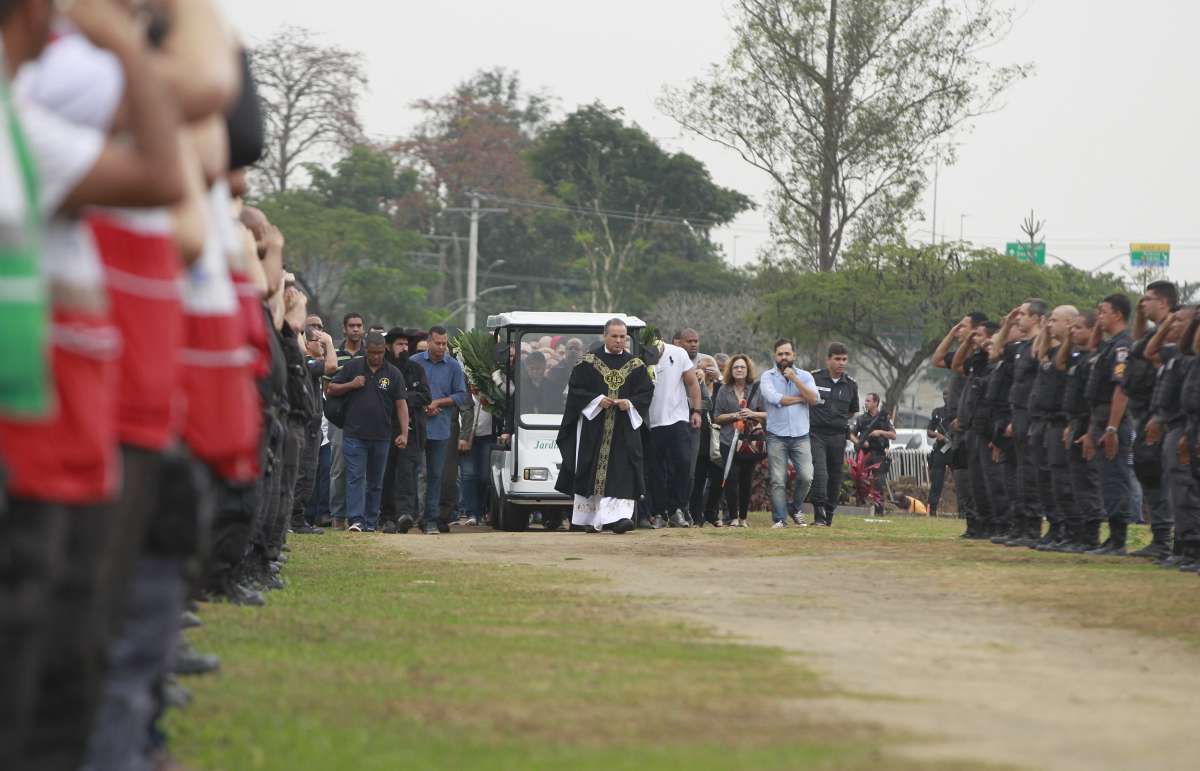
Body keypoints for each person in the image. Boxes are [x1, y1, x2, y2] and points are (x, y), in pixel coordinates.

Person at [555, 319, 654, 533]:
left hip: (624, 428)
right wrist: (597, 400)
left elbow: (646, 393)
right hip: (595, 428)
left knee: (623, 469)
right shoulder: (587, 363)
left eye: (623, 337)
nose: (619, 341)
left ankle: (618, 518)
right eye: (615, 336)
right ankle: (590, 518)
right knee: (593, 469)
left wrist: (629, 402)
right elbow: (575, 391)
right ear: (605, 335)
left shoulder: (636, 366)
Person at [328, 330, 409, 532]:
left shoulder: (393, 373)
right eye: (372, 352)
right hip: (354, 434)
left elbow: (401, 404)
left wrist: (404, 433)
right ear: (366, 350)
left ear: (385, 351)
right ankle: (357, 520)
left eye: (380, 352)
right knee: (355, 477)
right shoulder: (353, 367)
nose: (376, 357)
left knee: (376, 481)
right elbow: (331, 389)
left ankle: (371, 521)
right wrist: (351, 384)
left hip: (382, 436)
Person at [1125, 281, 1179, 559]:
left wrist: (1159, 415)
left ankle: (1167, 539)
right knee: (1147, 471)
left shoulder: (1173, 330)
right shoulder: (1151, 332)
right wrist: (1139, 316)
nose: (1142, 304)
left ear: (1163, 302)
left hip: (1159, 413)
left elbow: (1153, 358)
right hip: (1144, 411)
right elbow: (1138, 347)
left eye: (1147, 300)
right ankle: (1161, 537)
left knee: (1162, 476)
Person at [1081, 294, 1134, 555]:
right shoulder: (1108, 345)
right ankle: (1111, 538)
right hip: (1100, 417)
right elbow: (1092, 349)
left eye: (1103, 312)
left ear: (1118, 315)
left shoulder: (1122, 346)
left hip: (1114, 421)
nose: (1098, 316)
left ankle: (1118, 538)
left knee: (1115, 480)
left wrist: (1112, 428)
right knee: (1106, 479)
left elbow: (1120, 390)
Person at [932, 313, 988, 534]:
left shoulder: (980, 359)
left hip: (969, 424)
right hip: (955, 426)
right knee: (963, 474)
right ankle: (970, 520)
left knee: (974, 475)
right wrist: (951, 335)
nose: (958, 330)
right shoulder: (963, 356)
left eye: (963, 327)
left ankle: (979, 520)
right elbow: (937, 360)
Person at [412, 325, 468, 535]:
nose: (442, 347)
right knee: (416, 474)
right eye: (438, 343)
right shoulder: (415, 362)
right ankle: (413, 515)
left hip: (441, 429)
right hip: (417, 427)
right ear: (429, 342)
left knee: (437, 475)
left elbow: (461, 396)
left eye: (445, 343)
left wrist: (439, 403)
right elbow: (405, 391)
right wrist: (423, 405)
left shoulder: (453, 366)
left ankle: (431, 519)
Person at [645, 330, 703, 529]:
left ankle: (678, 509)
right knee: (656, 470)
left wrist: (696, 411)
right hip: (652, 422)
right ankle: (659, 511)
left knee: (684, 464)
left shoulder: (677, 353)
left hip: (677, 418)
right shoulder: (641, 357)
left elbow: (692, 383)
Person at [759, 338, 819, 528]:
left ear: (794, 355)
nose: (784, 357)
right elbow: (775, 399)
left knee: (807, 476)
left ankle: (794, 507)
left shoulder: (805, 376)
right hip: (776, 435)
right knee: (778, 479)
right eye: (780, 354)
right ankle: (779, 519)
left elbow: (814, 399)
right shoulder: (767, 377)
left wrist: (795, 379)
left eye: (787, 353)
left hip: (801, 435)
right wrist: (801, 399)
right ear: (775, 356)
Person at [379, 327, 430, 534]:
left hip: (412, 431)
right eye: (399, 344)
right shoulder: (383, 370)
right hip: (385, 430)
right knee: (387, 474)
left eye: (406, 344)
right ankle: (387, 516)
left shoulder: (416, 369)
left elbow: (426, 396)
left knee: (408, 473)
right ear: (389, 347)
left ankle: (406, 514)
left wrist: (402, 398)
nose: (404, 348)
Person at [809, 342, 860, 526]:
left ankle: (829, 513)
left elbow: (852, 410)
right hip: (817, 434)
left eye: (844, 359)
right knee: (820, 473)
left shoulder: (850, 385)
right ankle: (819, 514)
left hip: (838, 436)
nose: (841, 363)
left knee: (835, 475)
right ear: (828, 359)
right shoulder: (815, 378)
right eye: (837, 359)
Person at [713, 355, 767, 527]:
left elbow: (767, 414)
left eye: (742, 367)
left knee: (746, 479)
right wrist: (735, 415)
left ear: (747, 370)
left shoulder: (756, 389)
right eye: (736, 367)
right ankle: (733, 517)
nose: (739, 370)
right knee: (731, 478)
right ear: (731, 370)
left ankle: (743, 518)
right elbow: (717, 417)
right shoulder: (723, 389)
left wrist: (752, 414)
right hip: (728, 440)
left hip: (749, 443)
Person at [328, 311, 366, 530]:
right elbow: (328, 388)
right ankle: (338, 517)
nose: (355, 329)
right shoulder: (335, 354)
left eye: (359, 325)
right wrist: (350, 385)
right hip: (341, 420)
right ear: (344, 328)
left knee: (362, 471)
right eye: (351, 325)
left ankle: (360, 518)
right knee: (339, 470)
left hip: (365, 420)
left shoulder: (370, 354)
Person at [851, 393, 896, 515]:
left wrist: (880, 432)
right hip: (864, 454)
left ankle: (879, 509)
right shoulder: (861, 419)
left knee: (879, 482)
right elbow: (851, 434)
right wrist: (860, 442)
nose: (866, 403)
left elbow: (893, 435)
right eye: (865, 401)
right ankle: (861, 506)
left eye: (868, 401)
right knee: (862, 482)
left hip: (879, 454)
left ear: (876, 402)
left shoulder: (884, 418)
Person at [926, 390, 953, 518]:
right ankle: (932, 510)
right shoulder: (938, 412)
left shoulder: (960, 411)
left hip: (956, 450)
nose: (946, 397)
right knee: (936, 482)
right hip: (941, 450)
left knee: (963, 481)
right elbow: (930, 431)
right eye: (944, 394)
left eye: (948, 394)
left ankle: (965, 511)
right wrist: (938, 435)